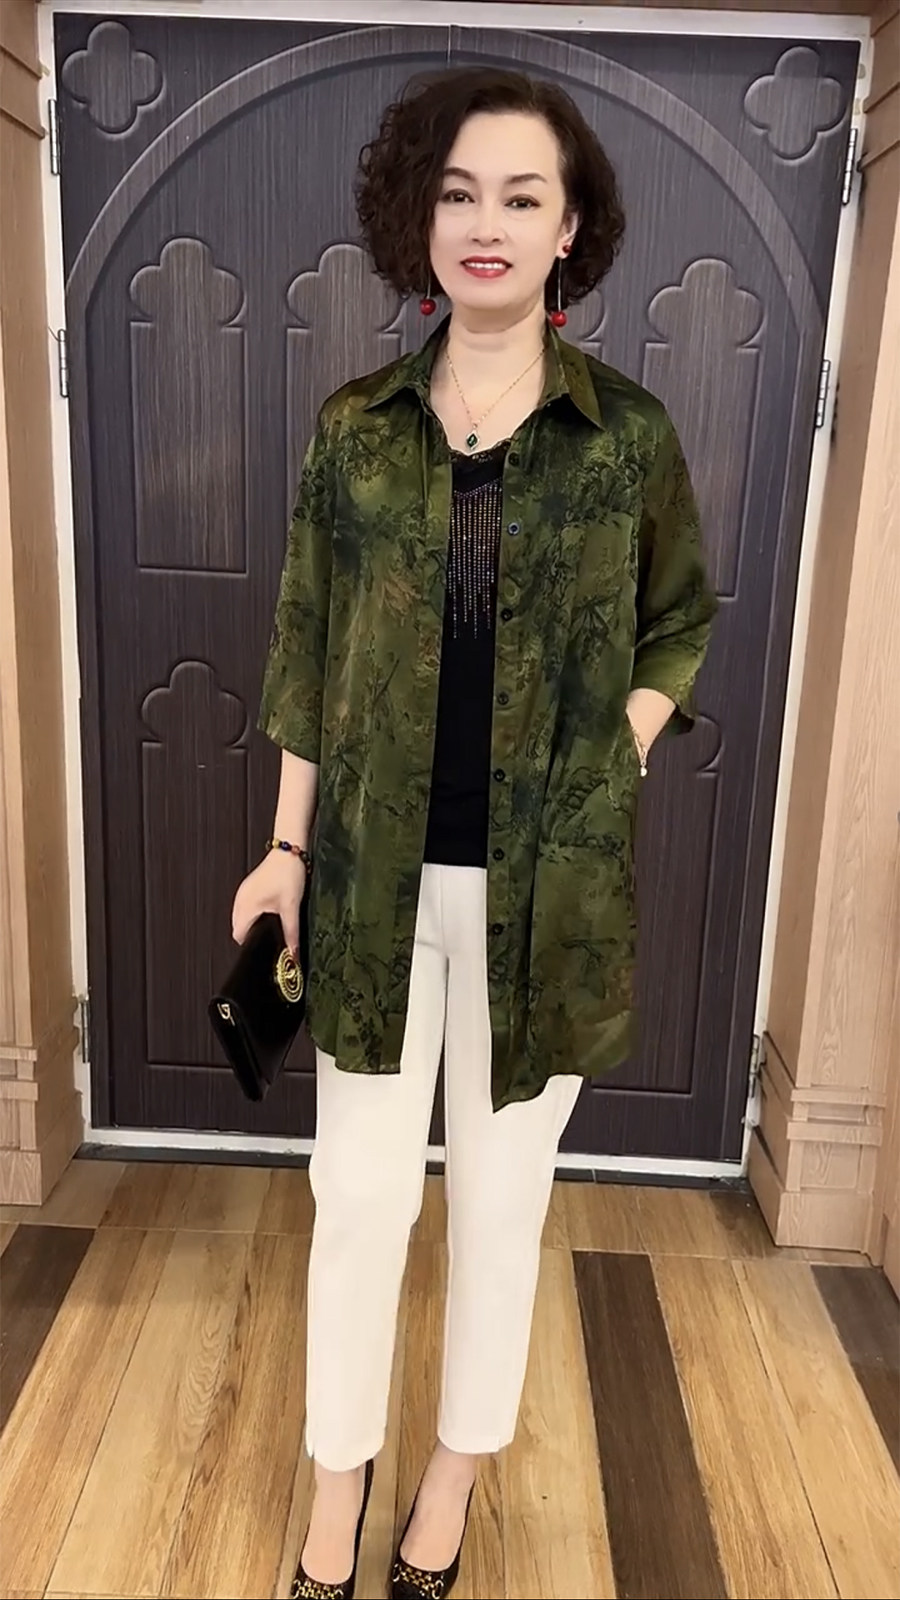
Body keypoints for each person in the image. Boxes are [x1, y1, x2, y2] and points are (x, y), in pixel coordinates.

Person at [231, 65, 717, 1600]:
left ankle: (446, 1493)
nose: (486, 222)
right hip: (370, 890)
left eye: (522, 195)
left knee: (502, 1211)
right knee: (359, 1202)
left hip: (547, 900)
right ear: (418, 218)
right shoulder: (355, 431)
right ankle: (338, 1489)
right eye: (458, 193)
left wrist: (613, 756)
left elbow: (682, 619)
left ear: (571, 229)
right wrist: (284, 853)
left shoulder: (626, 436)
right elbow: (305, 648)